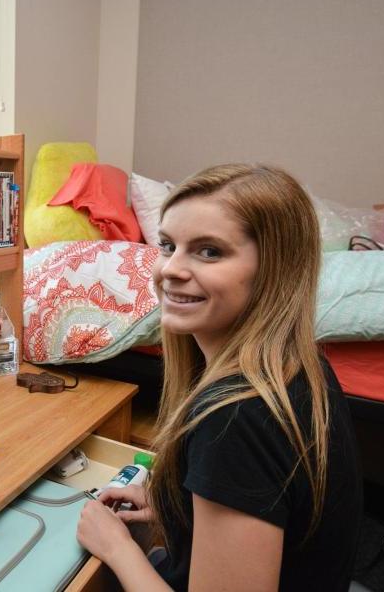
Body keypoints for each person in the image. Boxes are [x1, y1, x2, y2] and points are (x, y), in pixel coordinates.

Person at [77, 164, 363, 591]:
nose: (171, 269)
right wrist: (177, 507)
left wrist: (118, 548)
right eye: (168, 245)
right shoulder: (299, 366)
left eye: (209, 251)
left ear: (275, 271)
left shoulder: (235, 418)